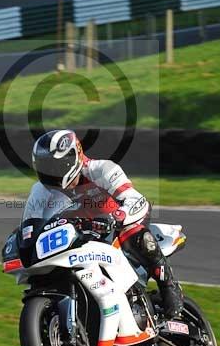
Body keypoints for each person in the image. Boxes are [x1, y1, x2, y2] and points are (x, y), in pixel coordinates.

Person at [21, 129, 183, 319]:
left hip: (116, 227)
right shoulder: (40, 191)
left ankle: (169, 286)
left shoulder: (101, 170)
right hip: (80, 235)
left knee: (135, 235)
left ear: (73, 156)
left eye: (56, 165)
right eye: (45, 166)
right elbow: (31, 225)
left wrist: (116, 217)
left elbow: (137, 200)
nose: (51, 172)